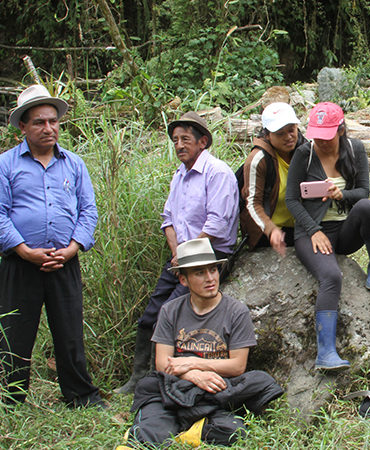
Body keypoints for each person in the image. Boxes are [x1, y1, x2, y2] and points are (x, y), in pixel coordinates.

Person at [116, 112, 239, 394]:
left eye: (185, 139)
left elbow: (217, 223)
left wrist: (188, 254)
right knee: (149, 315)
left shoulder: (217, 172)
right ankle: (138, 377)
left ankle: (160, 378)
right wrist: (177, 252)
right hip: (180, 259)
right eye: (175, 140)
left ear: (203, 142)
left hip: (209, 256)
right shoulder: (180, 175)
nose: (179, 145)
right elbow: (168, 218)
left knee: (168, 314)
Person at [0, 85, 104, 408]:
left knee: (70, 331)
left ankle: (80, 396)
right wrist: (23, 249)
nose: (49, 128)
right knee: (15, 330)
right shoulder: (6, 165)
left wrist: (73, 248)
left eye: (53, 121)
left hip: (65, 261)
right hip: (20, 263)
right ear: (23, 127)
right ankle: (11, 397)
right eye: (39, 123)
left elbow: (89, 211)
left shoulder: (74, 164)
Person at [126, 238, 283, 447]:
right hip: (176, 384)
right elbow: (162, 364)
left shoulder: (236, 311)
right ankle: (172, 427)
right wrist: (193, 376)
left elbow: (237, 366)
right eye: (199, 273)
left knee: (256, 387)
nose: (210, 278)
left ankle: (189, 427)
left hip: (216, 388)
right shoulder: (170, 310)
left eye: (213, 270)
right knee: (151, 393)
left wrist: (192, 363)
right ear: (183, 280)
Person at [285, 102, 370, 370]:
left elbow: (363, 192)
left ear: (341, 129)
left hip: (344, 230)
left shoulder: (355, 149)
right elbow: (291, 200)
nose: (321, 142)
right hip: (311, 232)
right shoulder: (303, 154)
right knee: (331, 276)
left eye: (327, 137)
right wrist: (313, 230)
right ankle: (325, 352)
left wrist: (342, 195)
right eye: (317, 136)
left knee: (368, 208)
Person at [240, 102, 308, 254]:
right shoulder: (258, 159)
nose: (288, 137)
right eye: (280, 133)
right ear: (268, 134)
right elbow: (252, 203)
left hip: (300, 227)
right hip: (268, 231)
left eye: (291, 130)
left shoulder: (305, 151)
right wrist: (271, 230)